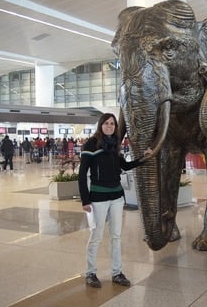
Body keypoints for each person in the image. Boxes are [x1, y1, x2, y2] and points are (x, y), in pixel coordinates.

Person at [78, 113, 152, 288]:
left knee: (116, 236)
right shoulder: (91, 145)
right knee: (96, 236)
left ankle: (117, 273)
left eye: (112, 124)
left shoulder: (114, 145)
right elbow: (82, 175)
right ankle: (90, 273)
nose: (110, 126)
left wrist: (144, 158)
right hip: (98, 198)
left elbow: (124, 166)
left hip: (117, 197)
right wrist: (85, 200)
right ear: (100, 125)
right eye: (106, 123)